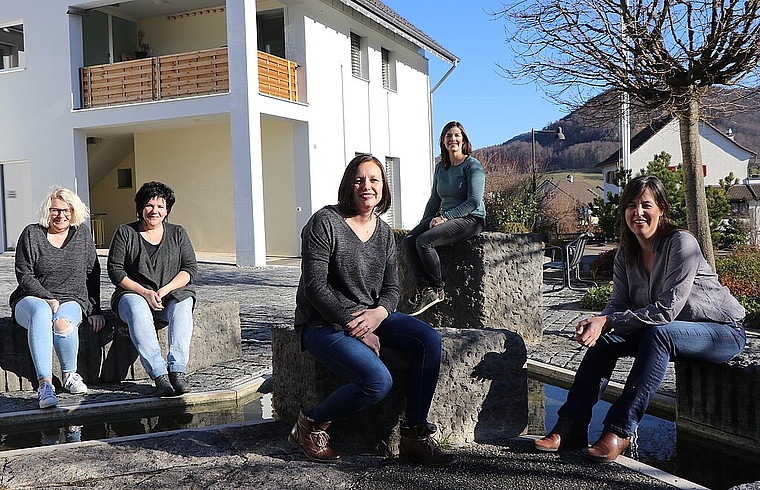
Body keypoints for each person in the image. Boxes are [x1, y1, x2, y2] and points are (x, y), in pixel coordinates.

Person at [534, 175, 746, 462]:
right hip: (668, 331)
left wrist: (609, 321)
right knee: (606, 340)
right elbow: (618, 304)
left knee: (659, 333)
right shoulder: (626, 254)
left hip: (720, 332)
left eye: (646, 205)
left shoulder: (682, 244)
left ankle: (620, 430)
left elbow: (667, 310)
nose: (638, 212)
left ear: (661, 209)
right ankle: (571, 425)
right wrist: (599, 322)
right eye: (631, 205)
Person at [290, 154, 457, 467]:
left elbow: (392, 289)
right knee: (377, 382)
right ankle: (310, 425)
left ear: (383, 187)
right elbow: (315, 288)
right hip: (323, 323)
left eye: (374, 180)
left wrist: (379, 314)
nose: (367, 186)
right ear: (348, 185)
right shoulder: (324, 223)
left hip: (371, 316)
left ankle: (413, 436)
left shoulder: (383, 232)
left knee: (428, 341)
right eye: (359, 179)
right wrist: (359, 328)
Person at [10, 187, 105, 409]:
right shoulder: (32, 234)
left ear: (74, 212)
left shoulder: (82, 234)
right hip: (31, 298)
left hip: (71, 298)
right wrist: (47, 297)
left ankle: (69, 374)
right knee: (42, 312)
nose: (61, 216)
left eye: (66, 210)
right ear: (47, 211)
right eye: (55, 210)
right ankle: (45, 385)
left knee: (62, 323)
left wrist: (95, 310)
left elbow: (93, 273)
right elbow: (24, 275)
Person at [107, 181, 197, 397]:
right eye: (149, 205)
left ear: (167, 210)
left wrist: (165, 290)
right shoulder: (125, 232)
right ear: (140, 208)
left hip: (170, 294)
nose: (154, 211)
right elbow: (115, 270)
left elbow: (190, 269)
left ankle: (177, 371)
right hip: (132, 294)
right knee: (137, 308)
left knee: (184, 305)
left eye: (160, 206)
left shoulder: (178, 233)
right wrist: (145, 293)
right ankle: (159, 374)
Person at [403, 121, 486, 316]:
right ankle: (424, 289)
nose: (453, 139)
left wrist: (446, 217)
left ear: (463, 139)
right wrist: (423, 224)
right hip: (446, 217)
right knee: (410, 241)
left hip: (471, 219)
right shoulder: (441, 167)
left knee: (425, 242)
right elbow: (435, 199)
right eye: (448, 136)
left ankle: (437, 289)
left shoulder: (472, 166)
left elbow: (474, 201)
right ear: (443, 140)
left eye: (457, 135)